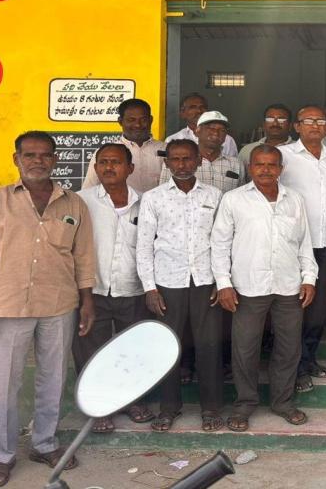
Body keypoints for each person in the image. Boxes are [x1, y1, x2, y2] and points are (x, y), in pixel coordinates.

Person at [0, 131, 95, 488]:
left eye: (45, 155)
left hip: (59, 303)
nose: (38, 161)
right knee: (4, 383)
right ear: (16, 159)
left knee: (53, 378)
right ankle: (3, 454)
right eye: (30, 155)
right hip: (8, 306)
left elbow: (83, 256)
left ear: (55, 159)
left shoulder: (73, 204)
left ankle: (44, 443)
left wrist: (87, 300)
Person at [211, 145, 317, 431]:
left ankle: (283, 402)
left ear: (281, 169)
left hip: (288, 285)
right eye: (260, 164)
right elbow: (219, 244)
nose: (266, 170)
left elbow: (304, 242)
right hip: (248, 286)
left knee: (289, 347)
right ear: (250, 168)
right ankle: (245, 404)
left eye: (272, 165)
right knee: (245, 348)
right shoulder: (234, 200)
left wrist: (309, 277)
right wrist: (224, 284)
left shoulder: (294, 199)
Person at [136, 139, 224, 433]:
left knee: (209, 346)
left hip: (206, 281)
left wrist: (222, 280)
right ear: (167, 163)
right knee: (167, 347)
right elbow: (144, 245)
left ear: (199, 161)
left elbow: (223, 242)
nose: (182, 164)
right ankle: (168, 408)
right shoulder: (154, 198)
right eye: (175, 159)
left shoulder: (215, 195)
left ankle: (211, 408)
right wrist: (150, 287)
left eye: (187, 158)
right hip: (167, 283)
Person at [74, 143, 152, 434]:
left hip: (133, 289)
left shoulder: (146, 202)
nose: (109, 167)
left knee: (132, 351)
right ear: (95, 168)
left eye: (116, 162)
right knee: (90, 350)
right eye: (103, 162)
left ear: (130, 168)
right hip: (92, 290)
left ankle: (132, 400)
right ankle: (97, 407)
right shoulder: (81, 201)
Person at [279, 105, 326, 393]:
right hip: (294, 245)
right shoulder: (283, 156)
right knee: (294, 309)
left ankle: (309, 359)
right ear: (297, 126)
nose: (315, 125)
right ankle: (294, 368)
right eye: (308, 121)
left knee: (318, 309)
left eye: (320, 121)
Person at [81, 98, 166, 193]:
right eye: (131, 120)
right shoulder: (106, 153)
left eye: (143, 120)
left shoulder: (165, 149)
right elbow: (88, 190)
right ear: (120, 121)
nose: (138, 125)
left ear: (151, 120)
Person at [159, 111, 243, 194]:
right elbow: (163, 193)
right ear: (197, 131)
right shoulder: (177, 162)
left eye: (222, 130)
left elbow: (240, 195)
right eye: (211, 128)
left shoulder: (236, 164)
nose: (216, 133)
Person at [165, 93, 238, 157]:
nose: (199, 111)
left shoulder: (227, 140)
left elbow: (232, 165)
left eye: (202, 107)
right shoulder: (173, 140)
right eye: (193, 107)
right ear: (182, 113)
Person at [237, 103, 294, 172]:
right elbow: (240, 178)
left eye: (281, 120)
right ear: (263, 125)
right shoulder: (247, 150)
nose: (275, 123)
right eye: (270, 119)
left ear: (290, 126)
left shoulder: (300, 151)